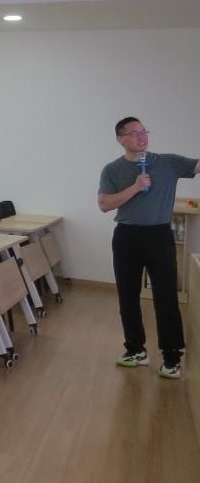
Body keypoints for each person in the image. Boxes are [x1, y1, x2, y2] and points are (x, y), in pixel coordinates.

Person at [98, 117, 199, 378]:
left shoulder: (168, 162)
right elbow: (105, 204)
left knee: (166, 297)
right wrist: (135, 187)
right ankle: (135, 350)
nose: (142, 136)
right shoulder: (112, 170)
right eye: (134, 133)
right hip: (126, 237)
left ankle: (171, 357)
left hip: (159, 237)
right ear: (121, 139)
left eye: (144, 131)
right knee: (128, 296)